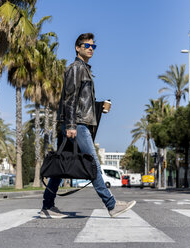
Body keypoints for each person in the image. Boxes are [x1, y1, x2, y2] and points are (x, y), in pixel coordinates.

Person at [40, 33, 136, 219]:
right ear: (77, 48)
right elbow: (70, 98)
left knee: (61, 166)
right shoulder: (76, 68)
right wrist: (71, 125)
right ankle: (112, 204)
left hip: (77, 122)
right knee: (93, 163)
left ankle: (47, 206)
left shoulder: (84, 69)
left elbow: (81, 101)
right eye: (86, 45)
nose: (90, 48)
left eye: (93, 46)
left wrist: (99, 107)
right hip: (77, 124)